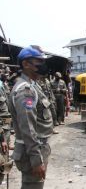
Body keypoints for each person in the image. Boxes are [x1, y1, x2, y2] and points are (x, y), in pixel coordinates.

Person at [8, 46, 53, 189]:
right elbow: (28, 128)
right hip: (32, 152)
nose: (43, 65)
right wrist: (36, 160)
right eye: (38, 62)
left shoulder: (33, 86)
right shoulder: (25, 90)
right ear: (26, 64)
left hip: (36, 148)